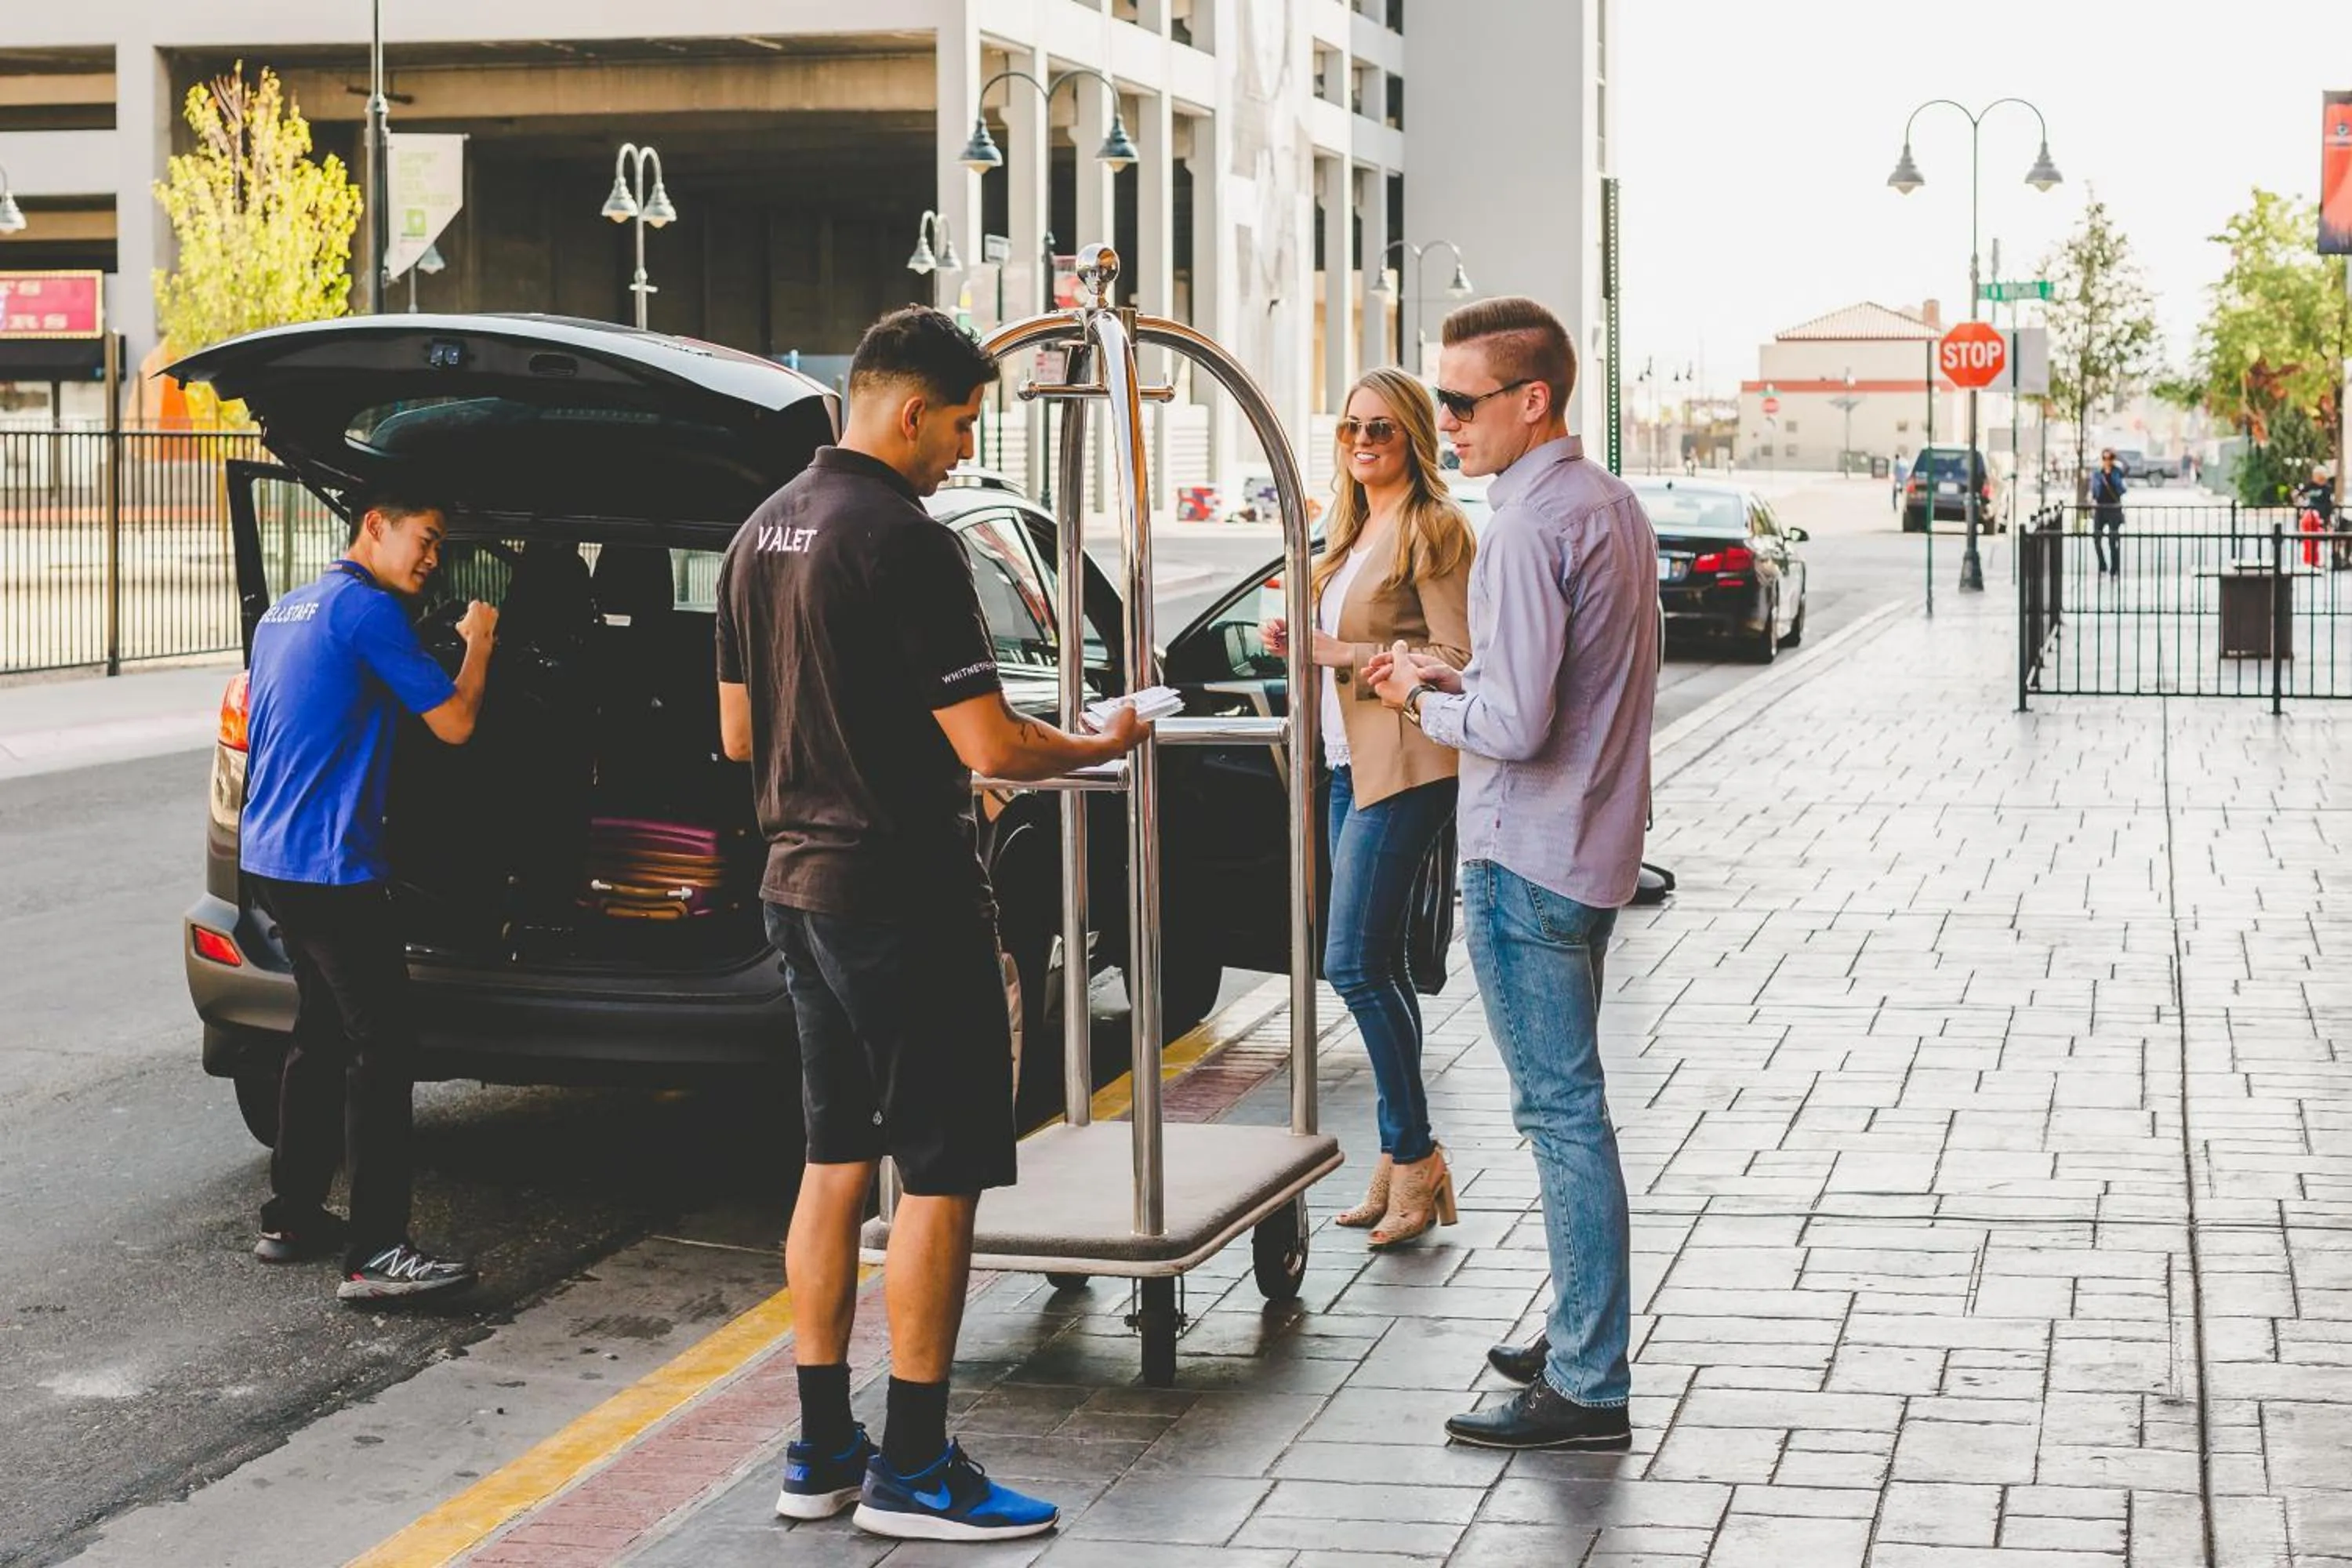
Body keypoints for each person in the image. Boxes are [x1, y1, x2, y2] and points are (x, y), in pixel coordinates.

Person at [717, 306, 1147, 1543]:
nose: (964, 450)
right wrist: (1102, 741)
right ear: (911, 411)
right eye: (960, 425)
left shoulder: (758, 532)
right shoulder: (906, 541)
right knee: (942, 1176)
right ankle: (913, 1466)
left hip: (795, 888)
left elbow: (740, 735)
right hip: (904, 896)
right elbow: (992, 744)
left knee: (833, 1162)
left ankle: (821, 1450)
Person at [1368, 296, 1658, 1454]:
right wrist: (1463, 675)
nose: (1443, 421)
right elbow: (1569, 685)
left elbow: (1518, 724)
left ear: (1532, 400)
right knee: (1570, 1111)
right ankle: (1580, 1332)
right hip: (1587, 850)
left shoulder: (1529, 526)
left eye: (1460, 400)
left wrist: (1419, 695)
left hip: (1526, 855)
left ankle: (1587, 1381)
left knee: (1561, 1116)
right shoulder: (1609, 504)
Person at [240, 488, 492, 1302]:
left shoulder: (285, 611)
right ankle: (377, 1251)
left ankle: (291, 1216)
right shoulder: (367, 611)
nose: (433, 559)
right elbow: (455, 723)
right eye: (427, 538)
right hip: (331, 868)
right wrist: (479, 644)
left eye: (441, 546)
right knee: (385, 1047)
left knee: (319, 1030)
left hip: (270, 857)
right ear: (375, 526)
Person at [1261, 367, 1475, 1248]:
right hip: (1348, 763)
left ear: (1414, 436)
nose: (1362, 442)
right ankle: (1400, 1154)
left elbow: (1456, 652)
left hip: (1408, 765)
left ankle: (1416, 1154)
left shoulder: (1436, 527)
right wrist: (1296, 641)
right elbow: (1340, 640)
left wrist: (1339, 651)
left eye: (1381, 428)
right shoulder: (1347, 528)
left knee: (1350, 963)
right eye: (1351, 427)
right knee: (1376, 962)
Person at [2089, 448, 2127, 575]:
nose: (2107, 461)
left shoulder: (2117, 472)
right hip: (2100, 508)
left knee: (2113, 540)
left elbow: (2127, 468)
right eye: (2104, 458)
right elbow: (2094, 490)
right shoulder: (2097, 473)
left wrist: (2118, 456)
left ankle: (2114, 568)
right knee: (2096, 538)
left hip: (2114, 509)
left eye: (2110, 458)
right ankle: (2102, 565)